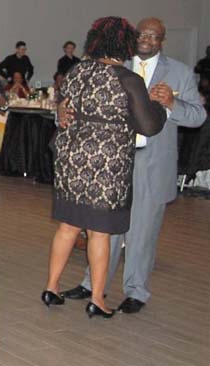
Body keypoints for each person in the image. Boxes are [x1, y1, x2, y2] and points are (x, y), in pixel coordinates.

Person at [63, 18, 206, 313]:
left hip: (152, 162)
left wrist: (172, 104)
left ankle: (136, 290)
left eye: (154, 36)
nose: (147, 40)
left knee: (142, 231)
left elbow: (198, 117)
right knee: (104, 226)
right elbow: (74, 101)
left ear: (162, 41)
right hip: (112, 160)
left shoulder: (179, 72)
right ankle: (93, 285)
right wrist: (60, 113)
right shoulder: (115, 64)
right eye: (142, 34)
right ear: (133, 36)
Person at [43, 17, 168, 319]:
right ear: (125, 44)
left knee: (68, 227)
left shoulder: (77, 71)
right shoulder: (127, 79)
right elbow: (148, 125)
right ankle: (97, 299)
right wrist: (160, 106)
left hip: (72, 160)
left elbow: (63, 104)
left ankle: (51, 287)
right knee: (99, 232)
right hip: (106, 165)